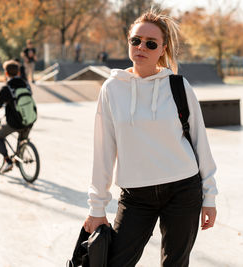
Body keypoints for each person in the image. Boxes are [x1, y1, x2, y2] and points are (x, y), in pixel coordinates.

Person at [83, 10, 218, 267]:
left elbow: (200, 142)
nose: (141, 47)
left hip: (183, 189)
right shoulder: (112, 89)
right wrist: (96, 207)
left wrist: (209, 197)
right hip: (136, 195)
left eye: (151, 43)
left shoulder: (178, 86)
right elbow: (103, 151)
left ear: (162, 49)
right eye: (136, 40)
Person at [0, 60, 35, 173]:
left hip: (14, 122)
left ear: (6, 73)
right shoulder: (26, 85)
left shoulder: (7, 88)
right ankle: (19, 155)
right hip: (30, 120)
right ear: (19, 73)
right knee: (22, 139)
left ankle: (8, 161)